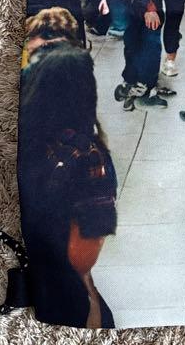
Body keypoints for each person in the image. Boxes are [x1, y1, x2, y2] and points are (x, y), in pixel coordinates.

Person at [17, 43, 118, 328]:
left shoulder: (24, 142)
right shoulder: (88, 155)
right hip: (65, 287)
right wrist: (88, 293)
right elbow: (84, 251)